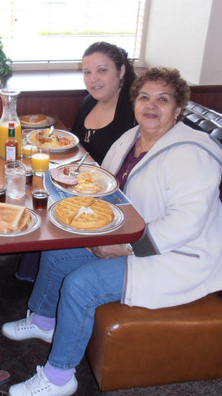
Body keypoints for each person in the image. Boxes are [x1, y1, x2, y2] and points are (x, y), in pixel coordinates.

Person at [2, 67, 222, 396]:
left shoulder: (192, 154)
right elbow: (106, 184)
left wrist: (125, 248)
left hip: (176, 256)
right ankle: (45, 321)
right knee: (58, 250)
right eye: (144, 97)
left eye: (163, 100)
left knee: (81, 284)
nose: (151, 105)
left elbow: (186, 223)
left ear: (178, 109)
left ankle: (60, 377)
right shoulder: (133, 137)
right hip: (128, 234)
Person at [14, 42, 137, 285]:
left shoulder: (132, 110)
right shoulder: (89, 102)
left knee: (42, 205)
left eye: (102, 70)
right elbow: (77, 147)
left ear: (121, 71)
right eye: (87, 72)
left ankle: (38, 274)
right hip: (79, 181)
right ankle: (30, 273)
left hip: (106, 195)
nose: (93, 79)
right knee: (33, 193)